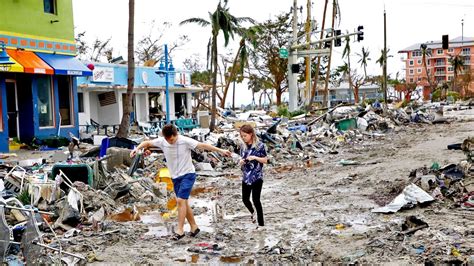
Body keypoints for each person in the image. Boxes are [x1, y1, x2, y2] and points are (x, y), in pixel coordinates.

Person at [130, 124, 231, 240]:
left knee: (180, 200)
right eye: (168, 140)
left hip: (188, 174)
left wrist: (221, 150)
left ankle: (180, 230)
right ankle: (194, 227)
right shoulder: (163, 141)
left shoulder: (185, 141)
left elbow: (203, 145)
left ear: (176, 135)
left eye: (172, 139)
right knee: (184, 203)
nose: (170, 142)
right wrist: (137, 149)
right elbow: (147, 143)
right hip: (175, 176)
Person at [238, 124, 268, 229]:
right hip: (246, 176)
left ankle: (261, 224)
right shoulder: (242, 146)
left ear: (251, 134)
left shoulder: (260, 145)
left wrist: (255, 157)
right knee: (245, 199)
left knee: (256, 200)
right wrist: (241, 161)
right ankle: (253, 212)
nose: (243, 138)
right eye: (241, 136)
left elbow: (265, 160)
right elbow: (241, 158)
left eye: (245, 135)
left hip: (257, 176)